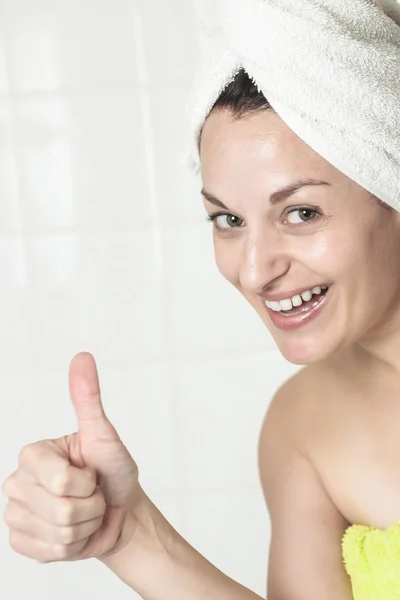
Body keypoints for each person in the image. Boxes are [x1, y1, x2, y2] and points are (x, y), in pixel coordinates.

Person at [3, 9, 400, 600]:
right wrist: (130, 533)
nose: (255, 268)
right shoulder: (307, 425)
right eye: (228, 220)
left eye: (301, 212)